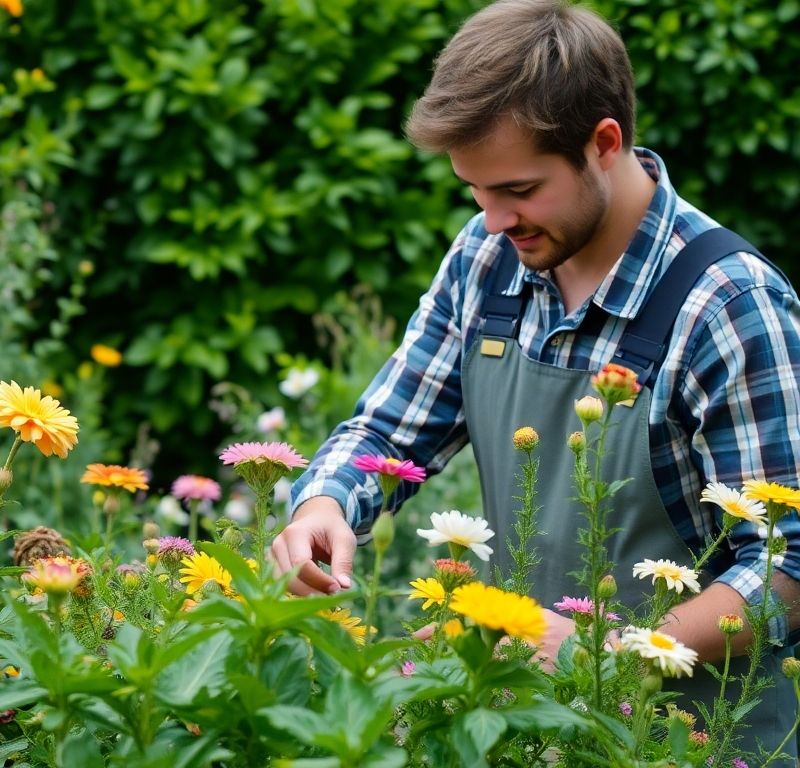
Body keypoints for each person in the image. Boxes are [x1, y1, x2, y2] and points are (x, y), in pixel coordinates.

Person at [270, 0, 800, 752]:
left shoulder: (727, 305)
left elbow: (788, 568)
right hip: (525, 727)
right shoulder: (486, 258)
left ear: (604, 143)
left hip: (692, 741)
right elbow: (389, 431)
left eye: (517, 190)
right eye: (475, 191)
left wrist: (604, 656)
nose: (492, 219)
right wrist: (322, 505)